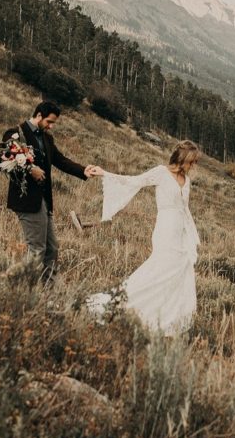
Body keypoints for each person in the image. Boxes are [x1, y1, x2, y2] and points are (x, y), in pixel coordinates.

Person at [86, 140, 201, 335]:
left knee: (178, 272)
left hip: (181, 231)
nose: (194, 166)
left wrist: (193, 237)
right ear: (182, 159)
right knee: (159, 270)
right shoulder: (161, 172)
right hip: (165, 228)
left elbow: (185, 209)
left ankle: (166, 315)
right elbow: (134, 181)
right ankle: (124, 303)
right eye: (192, 161)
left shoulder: (187, 181)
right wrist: (105, 173)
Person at [0, 101, 97, 282]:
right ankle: (23, 289)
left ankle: (48, 291)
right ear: (39, 115)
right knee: (36, 249)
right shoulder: (15, 134)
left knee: (52, 248)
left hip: (44, 200)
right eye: (49, 122)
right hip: (26, 200)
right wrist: (29, 168)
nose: (51, 126)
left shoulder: (47, 138)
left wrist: (83, 171)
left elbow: (60, 160)